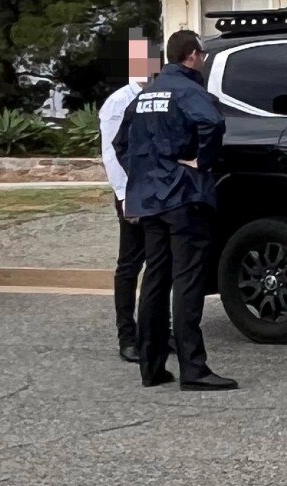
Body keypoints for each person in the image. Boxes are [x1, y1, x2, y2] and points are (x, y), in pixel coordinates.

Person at [112, 29, 237, 391]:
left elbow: (122, 143)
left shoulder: (146, 95)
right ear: (192, 55)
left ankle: (151, 367)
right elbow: (212, 123)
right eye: (201, 55)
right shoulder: (188, 90)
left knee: (154, 281)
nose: (202, 60)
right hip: (183, 196)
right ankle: (193, 369)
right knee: (187, 282)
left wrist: (145, 173)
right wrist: (201, 162)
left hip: (150, 200)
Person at [98, 31, 157, 364]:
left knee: (159, 263)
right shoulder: (119, 102)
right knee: (130, 265)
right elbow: (111, 153)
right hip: (132, 194)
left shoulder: (158, 95)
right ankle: (127, 335)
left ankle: (158, 330)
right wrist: (124, 196)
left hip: (157, 192)